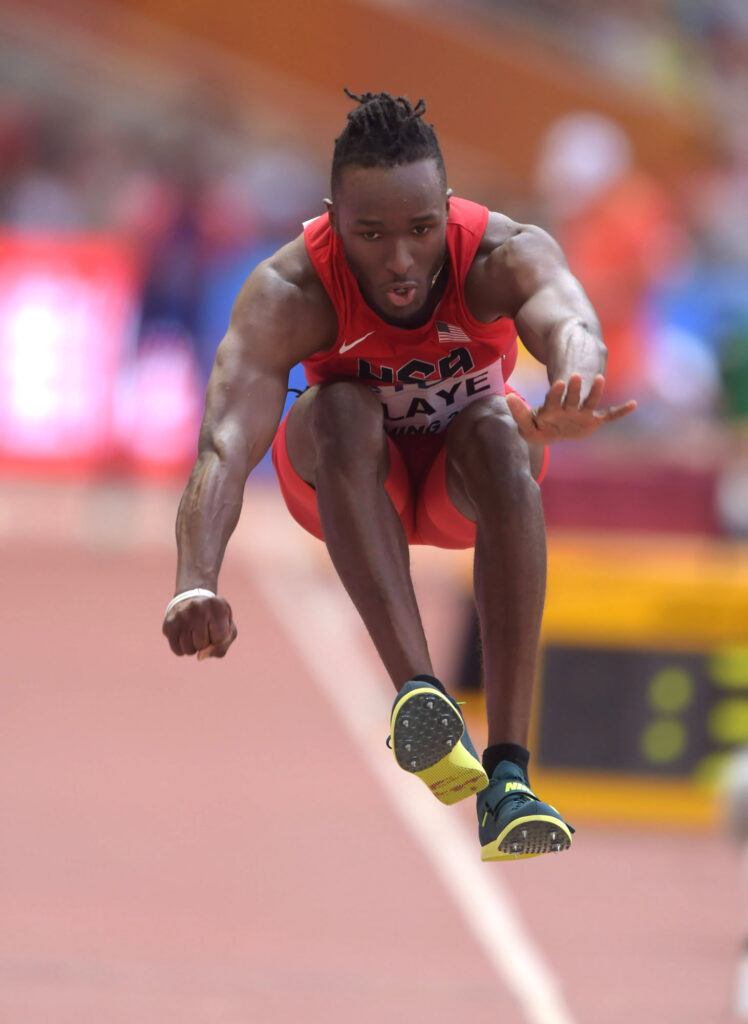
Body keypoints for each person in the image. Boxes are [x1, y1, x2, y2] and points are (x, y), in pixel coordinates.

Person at [162, 91, 636, 861]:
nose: (400, 260)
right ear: (330, 218)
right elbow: (223, 443)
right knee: (340, 405)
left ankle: (508, 777)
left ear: (446, 209)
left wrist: (578, 382)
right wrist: (195, 579)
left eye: (420, 231)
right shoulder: (290, 291)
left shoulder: (499, 253)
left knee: (499, 425)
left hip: (462, 481)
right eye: (370, 235)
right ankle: (421, 694)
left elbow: (570, 319)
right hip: (347, 485)